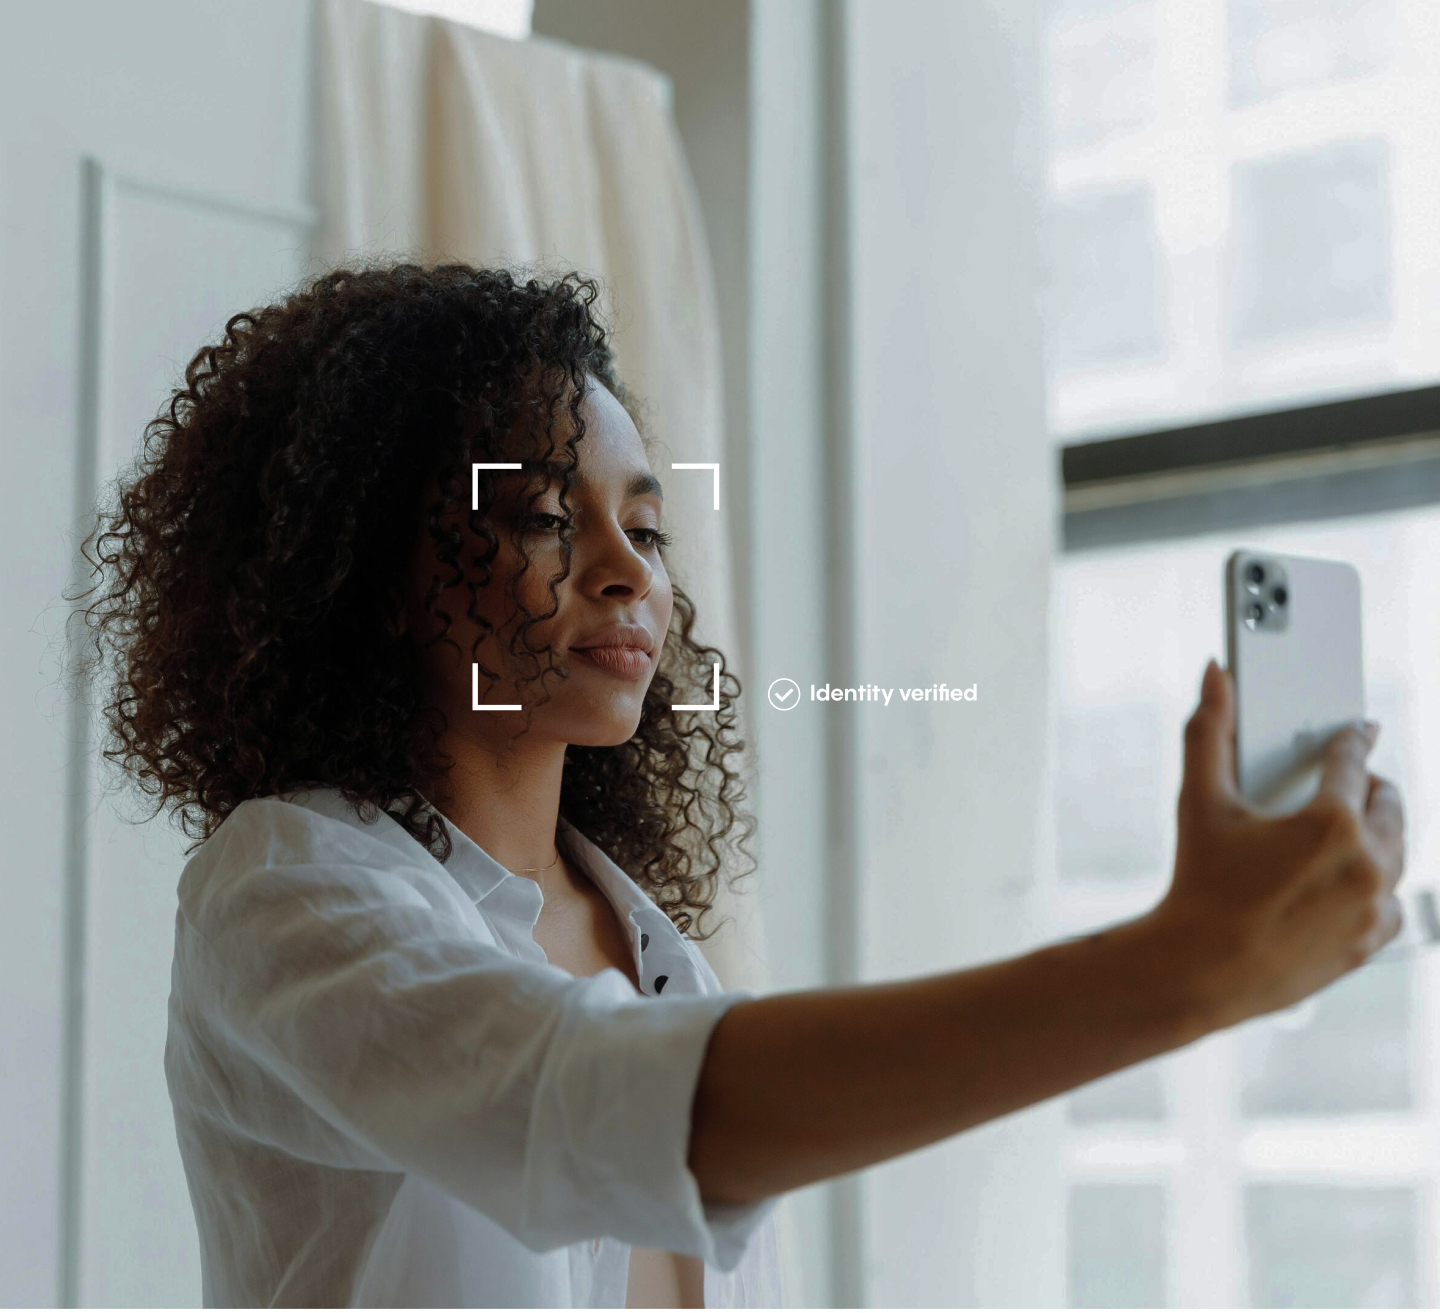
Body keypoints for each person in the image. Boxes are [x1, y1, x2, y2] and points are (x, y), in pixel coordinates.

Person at [75, 263, 1406, 1308]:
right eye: (546, 514)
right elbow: (604, 1102)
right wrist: (1185, 968)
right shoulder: (286, 889)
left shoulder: (658, 957)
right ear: (365, 568)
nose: (628, 572)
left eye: (644, 526)